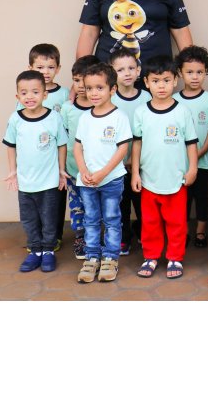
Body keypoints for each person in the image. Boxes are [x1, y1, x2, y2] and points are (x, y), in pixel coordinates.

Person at [130, 55, 198, 279]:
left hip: (176, 180)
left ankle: (175, 257)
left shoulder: (182, 111)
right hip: (149, 179)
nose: (161, 86)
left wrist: (193, 169)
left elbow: (191, 143)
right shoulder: (141, 112)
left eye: (167, 80)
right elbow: (137, 143)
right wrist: (135, 173)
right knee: (150, 223)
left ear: (175, 81)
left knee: (177, 222)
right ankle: (150, 256)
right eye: (156, 81)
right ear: (146, 82)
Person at [3, 71, 68, 273]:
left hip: (49, 182)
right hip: (26, 183)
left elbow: (62, 145)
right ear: (17, 97)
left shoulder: (54, 118)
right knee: (29, 219)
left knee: (49, 219)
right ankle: (35, 250)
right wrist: (13, 172)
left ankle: (48, 251)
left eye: (35, 92)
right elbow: (11, 145)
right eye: (24, 93)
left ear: (45, 95)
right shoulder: (16, 119)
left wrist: (61, 170)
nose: (29, 97)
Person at [74, 63, 132, 283]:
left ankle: (110, 257)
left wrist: (103, 173)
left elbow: (123, 149)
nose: (93, 93)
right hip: (87, 181)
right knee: (90, 220)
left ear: (112, 89)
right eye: (89, 88)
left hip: (111, 180)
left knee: (111, 219)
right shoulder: (85, 118)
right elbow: (77, 147)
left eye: (99, 88)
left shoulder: (119, 117)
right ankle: (91, 257)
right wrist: (84, 171)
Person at [174, 46, 208, 249]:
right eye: (189, 72)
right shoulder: (175, 100)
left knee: (201, 196)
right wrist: (187, 156)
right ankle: (182, 230)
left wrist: (200, 152)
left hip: (203, 160)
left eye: (199, 72)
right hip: (181, 161)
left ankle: (201, 230)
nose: (194, 77)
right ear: (180, 73)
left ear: (205, 72)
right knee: (182, 198)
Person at [110, 50, 151, 255]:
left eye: (131, 68)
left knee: (142, 203)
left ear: (138, 71)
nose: (127, 73)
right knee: (121, 203)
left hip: (142, 164)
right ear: (112, 73)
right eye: (120, 69)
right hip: (118, 165)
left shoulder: (147, 97)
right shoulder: (110, 99)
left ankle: (145, 234)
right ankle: (124, 237)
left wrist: (139, 161)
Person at [60, 55, 100, 260]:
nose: (81, 86)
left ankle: (97, 238)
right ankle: (81, 238)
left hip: (98, 171)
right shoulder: (67, 109)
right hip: (74, 170)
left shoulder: (100, 109)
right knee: (78, 207)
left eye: (85, 81)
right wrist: (62, 168)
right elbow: (63, 139)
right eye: (77, 80)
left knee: (96, 206)